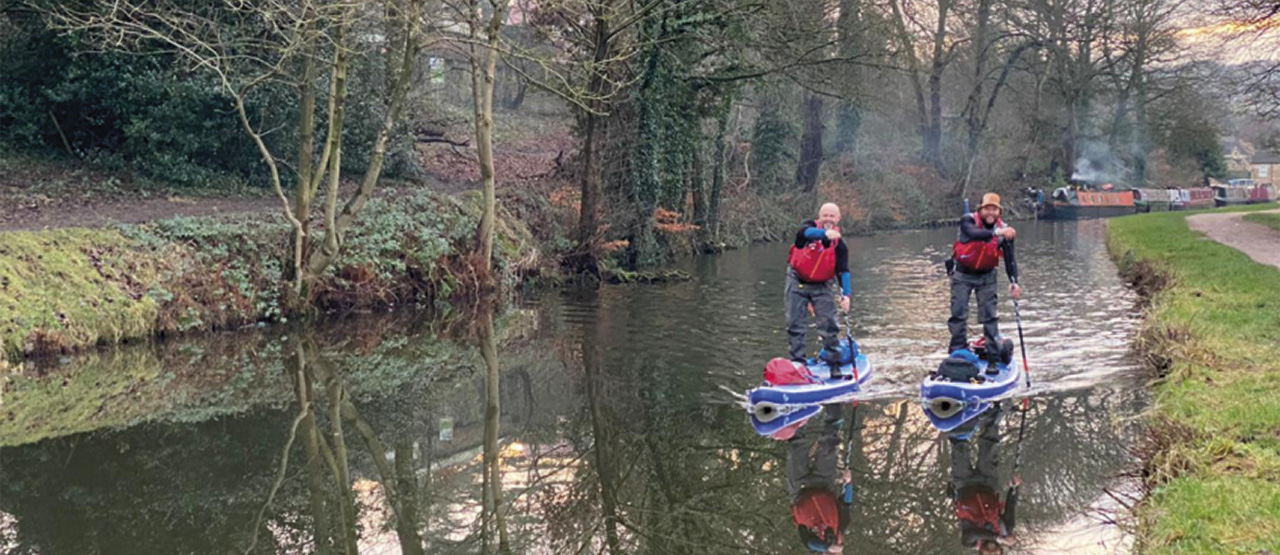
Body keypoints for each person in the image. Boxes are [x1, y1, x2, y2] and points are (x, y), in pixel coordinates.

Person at [948, 193, 1020, 360]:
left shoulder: (1005, 232)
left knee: (989, 316)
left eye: (994, 209)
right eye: (987, 209)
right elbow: (974, 234)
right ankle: (958, 351)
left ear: (999, 212)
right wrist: (998, 232)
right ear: (980, 210)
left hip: (987, 277)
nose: (990, 213)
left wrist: (1014, 281)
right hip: (962, 275)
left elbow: (1010, 259)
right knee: (958, 313)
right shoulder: (968, 221)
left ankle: (993, 353)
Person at [787, 203, 852, 377]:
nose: (828, 219)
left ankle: (834, 363)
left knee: (828, 325)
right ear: (820, 217)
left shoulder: (840, 245)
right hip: (797, 280)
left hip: (822, 285)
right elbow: (803, 234)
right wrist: (824, 234)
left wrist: (846, 295)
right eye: (825, 216)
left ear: (838, 219)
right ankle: (797, 365)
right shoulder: (808, 227)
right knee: (795, 324)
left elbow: (843, 271)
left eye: (832, 216)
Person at [948, 404, 1018, 553]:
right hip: (988, 483)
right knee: (989, 447)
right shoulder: (1006, 530)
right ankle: (992, 412)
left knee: (959, 447)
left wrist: (997, 538)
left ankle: (962, 413)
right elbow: (1010, 506)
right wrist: (1014, 487)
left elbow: (972, 533)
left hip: (964, 484)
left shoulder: (969, 542)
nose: (992, 553)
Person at [787, 404, 854, 553]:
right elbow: (847, 502)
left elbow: (807, 542)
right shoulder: (842, 525)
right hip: (823, 484)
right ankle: (834, 411)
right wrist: (848, 483)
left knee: (796, 448)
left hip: (800, 490)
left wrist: (826, 547)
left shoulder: (814, 543)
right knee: (828, 448)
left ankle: (798, 410)